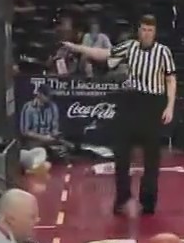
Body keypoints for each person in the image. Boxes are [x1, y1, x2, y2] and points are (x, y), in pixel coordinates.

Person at [62, 14, 176, 215]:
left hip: (153, 103)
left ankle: (148, 200)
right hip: (131, 100)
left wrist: (170, 106)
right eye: (143, 29)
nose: (147, 34)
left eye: (150, 30)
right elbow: (104, 54)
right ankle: (122, 198)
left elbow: (170, 80)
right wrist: (77, 47)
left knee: (151, 158)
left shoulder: (163, 52)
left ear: (155, 32)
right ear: (138, 31)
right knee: (121, 153)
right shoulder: (130, 47)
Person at [18, 84, 60, 173]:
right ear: (39, 94)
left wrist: (54, 135)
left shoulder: (53, 107)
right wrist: (42, 138)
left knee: (63, 153)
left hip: (49, 141)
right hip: (32, 142)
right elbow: (25, 132)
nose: (49, 98)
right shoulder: (28, 108)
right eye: (46, 96)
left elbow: (55, 127)